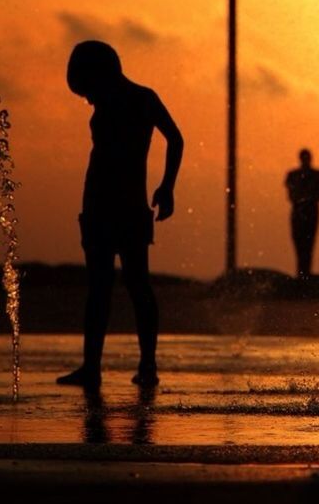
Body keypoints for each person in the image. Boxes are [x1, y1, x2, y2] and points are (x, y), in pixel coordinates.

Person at [58, 40, 183, 389]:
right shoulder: (143, 97)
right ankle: (99, 366)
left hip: (120, 205)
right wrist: (166, 186)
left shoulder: (139, 98)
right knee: (112, 285)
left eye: (88, 91)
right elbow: (175, 139)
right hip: (106, 205)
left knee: (128, 285)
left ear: (100, 74)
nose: (89, 100)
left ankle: (143, 364)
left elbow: (176, 139)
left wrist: (168, 185)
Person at [285, 148, 319, 278]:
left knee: (309, 243)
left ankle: (305, 273)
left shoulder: (317, 174)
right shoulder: (293, 175)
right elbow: (291, 195)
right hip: (299, 212)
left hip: (310, 212)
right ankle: (302, 273)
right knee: (299, 242)